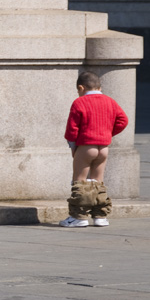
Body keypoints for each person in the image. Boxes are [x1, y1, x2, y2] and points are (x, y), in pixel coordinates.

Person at [59, 71, 128, 228]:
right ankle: (100, 216)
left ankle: (79, 216)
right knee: (98, 182)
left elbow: (72, 129)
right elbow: (123, 120)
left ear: (81, 87)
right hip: (103, 147)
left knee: (80, 182)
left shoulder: (79, 102)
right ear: (99, 86)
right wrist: (108, 133)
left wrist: (73, 146)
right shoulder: (110, 101)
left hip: (86, 146)